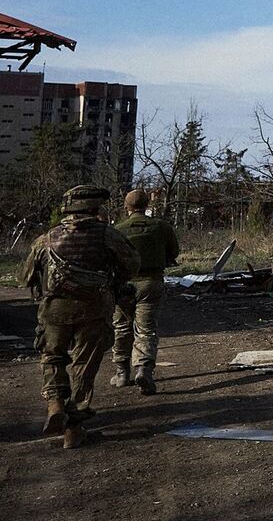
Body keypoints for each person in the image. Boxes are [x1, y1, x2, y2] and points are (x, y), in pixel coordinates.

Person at [23, 185, 140, 449]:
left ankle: (54, 402)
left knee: (52, 356)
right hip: (94, 309)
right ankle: (74, 429)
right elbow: (132, 264)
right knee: (84, 366)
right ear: (95, 208)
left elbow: (26, 276)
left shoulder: (47, 238)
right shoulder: (107, 235)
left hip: (54, 310)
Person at [111, 189, 179, 395]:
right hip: (150, 283)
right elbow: (174, 252)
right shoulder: (161, 227)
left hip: (123, 285)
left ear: (126, 207)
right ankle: (143, 368)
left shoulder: (117, 230)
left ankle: (122, 373)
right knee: (146, 329)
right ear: (147, 205)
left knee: (121, 327)